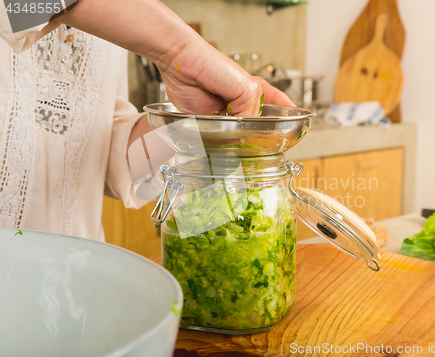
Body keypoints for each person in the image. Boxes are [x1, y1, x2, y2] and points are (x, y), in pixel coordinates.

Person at [0, 0, 294, 241]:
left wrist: (196, 119)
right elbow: (17, 7)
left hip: (73, 280)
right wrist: (179, 50)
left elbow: (104, 153)